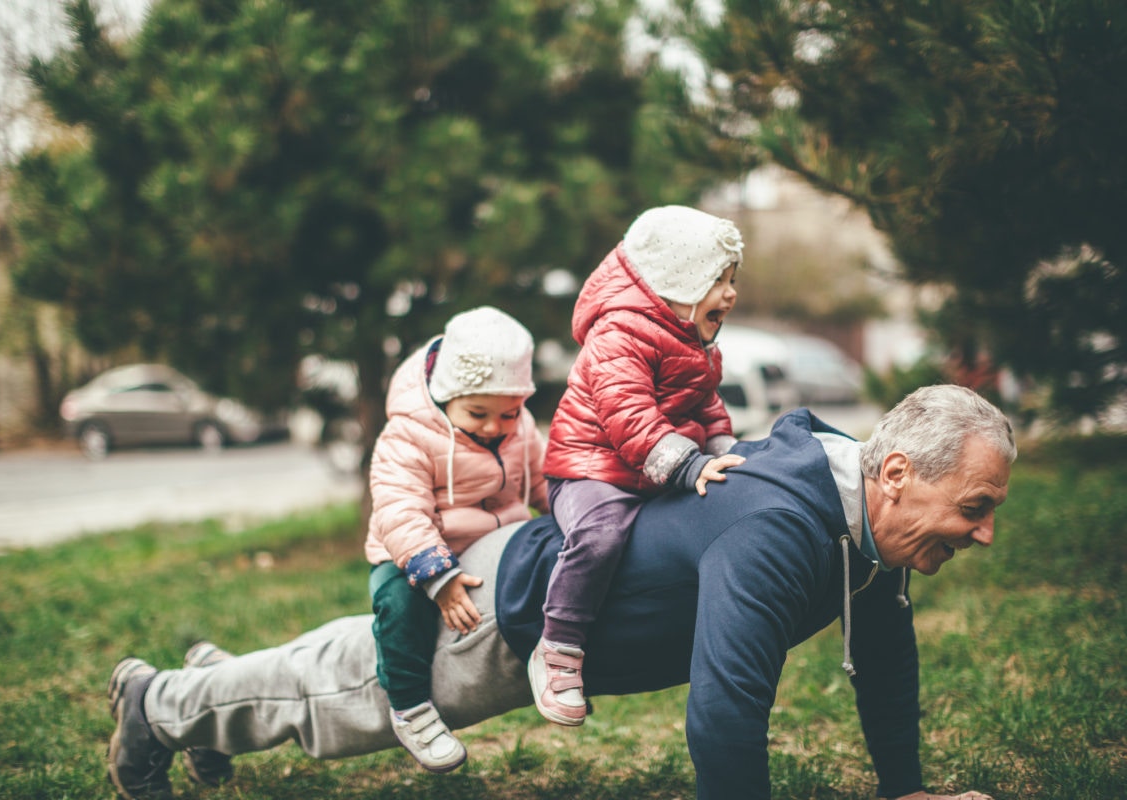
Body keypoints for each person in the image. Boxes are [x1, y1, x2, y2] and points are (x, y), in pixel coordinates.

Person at [105, 384, 1013, 800]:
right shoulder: (779, 525)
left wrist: (907, 793)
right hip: (514, 614)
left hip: (531, 579)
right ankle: (161, 703)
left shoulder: (866, 522)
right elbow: (728, 708)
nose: (984, 533)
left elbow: (886, 657)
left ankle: (213, 687)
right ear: (894, 471)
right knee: (347, 701)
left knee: (338, 669)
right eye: (975, 508)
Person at [532, 205, 748, 725]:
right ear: (678, 280)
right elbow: (628, 417)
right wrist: (688, 466)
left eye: (732, 278)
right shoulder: (620, 334)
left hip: (651, 465)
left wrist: (721, 448)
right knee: (602, 533)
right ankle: (559, 645)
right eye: (717, 279)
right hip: (591, 467)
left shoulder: (693, 338)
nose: (731, 292)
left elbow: (704, 400)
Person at [363, 305, 548, 772]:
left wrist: (573, 509)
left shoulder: (520, 427)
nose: (493, 427)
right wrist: (438, 576)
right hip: (413, 551)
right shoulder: (408, 435)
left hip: (496, 539)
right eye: (478, 413)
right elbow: (400, 510)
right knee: (399, 609)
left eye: (508, 414)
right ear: (446, 395)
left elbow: (545, 481)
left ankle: (560, 659)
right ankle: (410, 707)